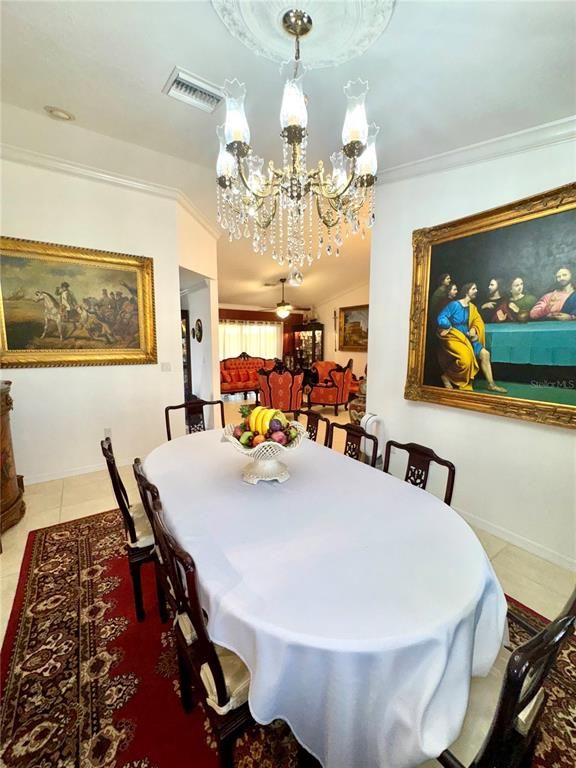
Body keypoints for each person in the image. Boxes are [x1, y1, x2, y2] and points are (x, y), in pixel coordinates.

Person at [436, 282, 507, 392]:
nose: (476, 291)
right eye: (474, 289)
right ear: (466, 291)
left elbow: (477, 321)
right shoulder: (454, 305)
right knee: (466, 359)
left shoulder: (472, 307)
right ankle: (447, 376)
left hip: (468, 338)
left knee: (485, 354)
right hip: (454, 337)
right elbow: (441, 317)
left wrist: (474, 329)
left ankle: (491, 384)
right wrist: (448, 325)